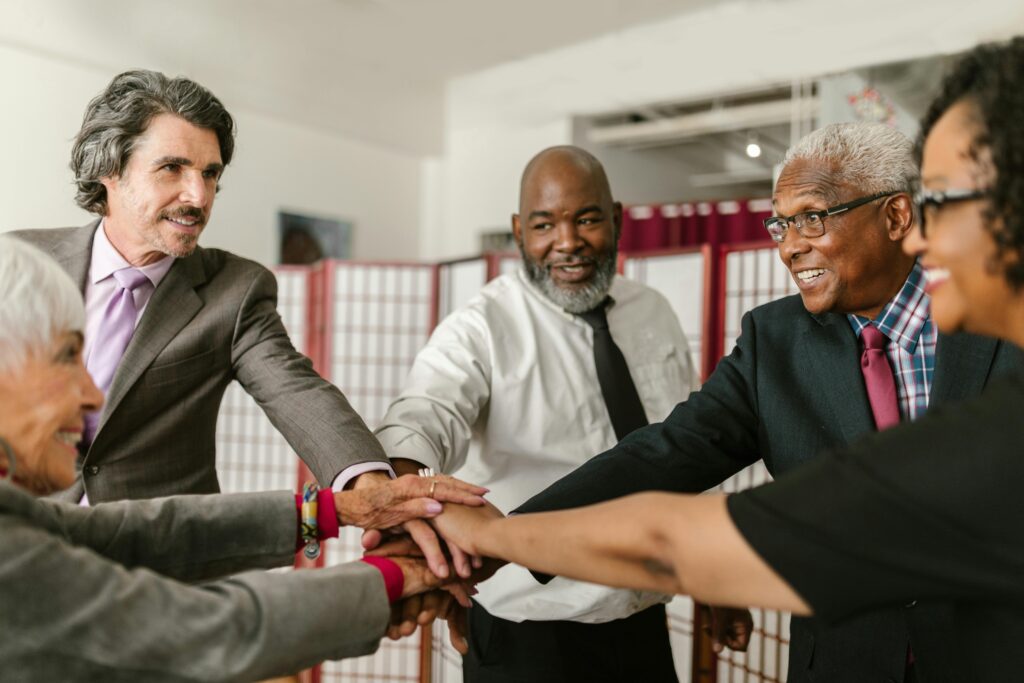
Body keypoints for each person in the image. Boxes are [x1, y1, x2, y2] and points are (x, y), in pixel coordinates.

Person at [426, 35, 1024, 683]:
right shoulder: (774, 342)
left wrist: (489, 537)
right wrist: (492, 539)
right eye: (779, 225)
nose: (790, 247)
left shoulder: (1001, 342)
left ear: (897, 213)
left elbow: (681, 544)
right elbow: (660, 456)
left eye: (813, 219)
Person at [7, 70, 453, 570]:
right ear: (110, 172)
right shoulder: (19, 259)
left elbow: (296, 390)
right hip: (25, 552)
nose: (198, 196)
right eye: (172, 168)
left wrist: (371, 486)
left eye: (211, 173)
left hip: (168, 574)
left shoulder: (235, 289)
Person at [0, 236, 490, 682]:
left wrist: (339, 508)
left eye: (210, 173)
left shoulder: (234, 286)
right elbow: (203, 629)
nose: (91, 398)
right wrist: (396, 577)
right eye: (67, 357)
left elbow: (138, 529)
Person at [372, 146, 699, 681]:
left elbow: (687, 446)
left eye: (587, 219)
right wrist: (403, 488)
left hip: (643, 619)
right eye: (545, 224)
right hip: (528, 635)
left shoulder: (654, 314)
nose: (567, 243)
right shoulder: (479, 326)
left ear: (616, 220)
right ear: (519, 231)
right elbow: (424, 413)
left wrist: (716, 582)